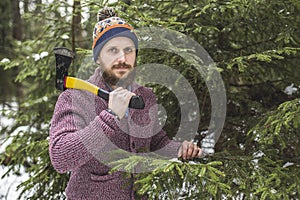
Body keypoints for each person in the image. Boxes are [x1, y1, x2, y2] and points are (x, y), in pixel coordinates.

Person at [49, 7, 203, 200]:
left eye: (128, 50)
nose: (122, 59)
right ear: (98, 57)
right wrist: (110, 117)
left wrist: (179, 149)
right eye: (113, 50)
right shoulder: (76, 97)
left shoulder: (144, 97)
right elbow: (60, 157)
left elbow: (156, 142)